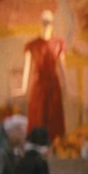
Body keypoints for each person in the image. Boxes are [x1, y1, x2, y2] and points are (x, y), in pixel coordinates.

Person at [18, 10, 67, 140]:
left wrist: (66, 85)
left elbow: (62, 67)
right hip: (39, 84)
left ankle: (54, 143)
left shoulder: (58, 44)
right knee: (38, 115)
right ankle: (37, 143)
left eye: (49, 22)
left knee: (53, 115)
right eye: (44, 22)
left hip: (53, 84)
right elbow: (27, 69)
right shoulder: (33, 45)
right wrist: (23, 87)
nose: (47, 25)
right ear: (41, 23)